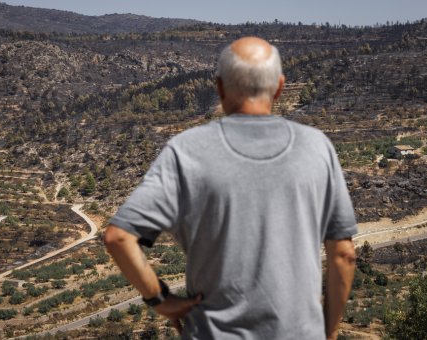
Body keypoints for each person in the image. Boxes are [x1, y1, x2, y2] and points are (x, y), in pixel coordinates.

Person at [104, 36, 357, 339]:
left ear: (220, 87)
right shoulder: (317, 147)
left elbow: (118, 237)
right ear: (279, 87)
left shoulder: (186, 151)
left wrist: (160, 299)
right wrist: (326, 333)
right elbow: (343, 255)